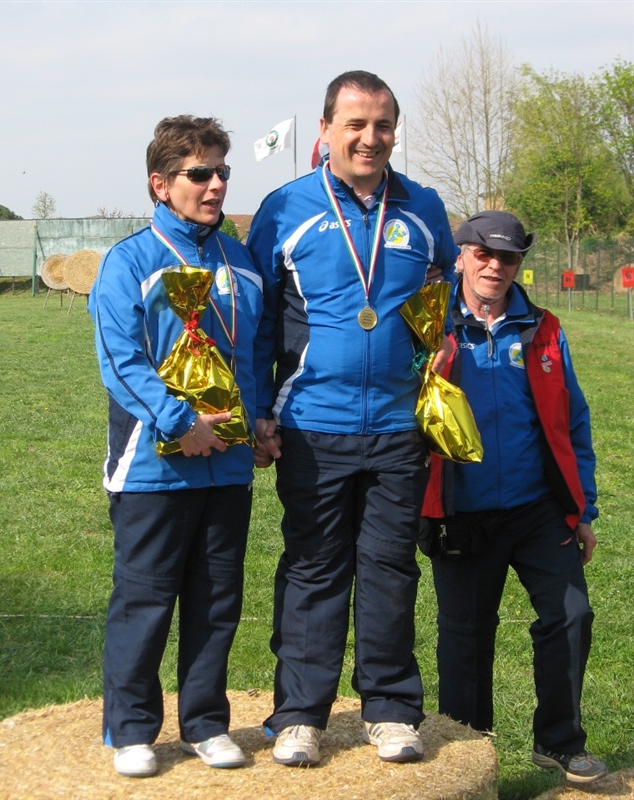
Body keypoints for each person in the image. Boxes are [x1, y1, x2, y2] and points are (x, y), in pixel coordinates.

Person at [247, 70, 458, 767]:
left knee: (391, 568)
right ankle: (301, 713)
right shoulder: (285, 208)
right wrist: (258, 414)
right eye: (356, 125)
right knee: (313, 568)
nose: (370, 138)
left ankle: (392, 709)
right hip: (312, 423)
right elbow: (255, 325)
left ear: (395, 130)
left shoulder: (424, 210)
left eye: (382, 125)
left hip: (400, 428)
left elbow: (444, 307)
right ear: (327, 130)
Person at [89, 115, 263, 778]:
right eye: (200, 173)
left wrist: (259, 422)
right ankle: (132, 728)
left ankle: (206, 722)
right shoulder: (129, 261)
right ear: (161, 184)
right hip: (151, 467)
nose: (215, 184)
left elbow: (253, 356)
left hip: (228, 462)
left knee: (218, 597)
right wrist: (178, 421)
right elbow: (120, 360)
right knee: (145, 598)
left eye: (221, 171)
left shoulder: (238, 260)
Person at [421, 210, 607, 784]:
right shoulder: (429, 323)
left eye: (509, 257)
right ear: (461, 256)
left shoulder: (544, 328)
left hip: (536, 509)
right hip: (462, 510)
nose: (495, 266)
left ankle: (559, 742)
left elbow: (573, 420)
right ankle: (470, 755)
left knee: (570, 614)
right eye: (484, 254)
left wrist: (583, 510)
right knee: (465, 639)